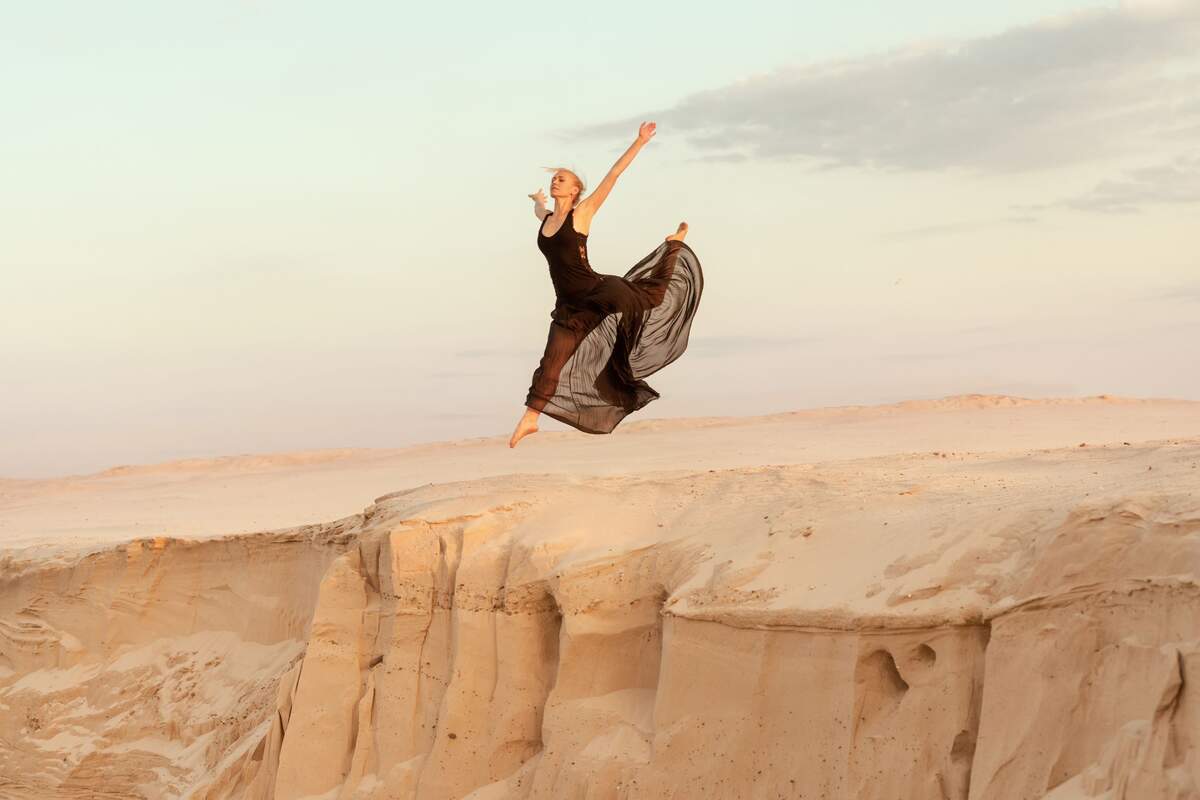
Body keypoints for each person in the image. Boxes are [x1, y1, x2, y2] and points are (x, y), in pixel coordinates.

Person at [509, 121, 704, 448]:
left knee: (653, 297)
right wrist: (536, 198)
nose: (556, 180)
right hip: (571, 307)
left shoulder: (581, 214)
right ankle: (530, 419)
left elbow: (613, 175)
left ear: (574, 190)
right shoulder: (546, 219)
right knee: (551, 362)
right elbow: (539, 208)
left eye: (562, 178)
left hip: (598, 290)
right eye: (554, 177)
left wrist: (639, 142)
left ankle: (672, 246)